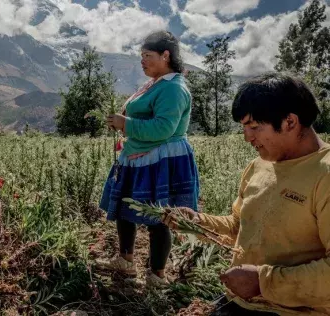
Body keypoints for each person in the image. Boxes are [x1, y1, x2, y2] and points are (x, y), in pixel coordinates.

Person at [164, 73, 330, 315]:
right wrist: (197, 222)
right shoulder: (259, 166)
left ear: (290, 122)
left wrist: (264, 282)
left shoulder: (324, 174)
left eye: (254, 127)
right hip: (240, 302)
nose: (247, 137)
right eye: (244, 128)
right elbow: (239, 228)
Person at [97, 30, 200, 287]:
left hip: (160, 160)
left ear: (166, 56)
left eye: (148, 55)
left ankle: (157, 276)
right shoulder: (155, 84)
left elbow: (164, 128)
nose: (142, 61)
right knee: (124, 208)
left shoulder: (174, 88)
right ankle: (125, 260)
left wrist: (126, 124)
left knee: (159, 217)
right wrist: (123, 123)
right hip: (138, 156)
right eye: (141, 55)